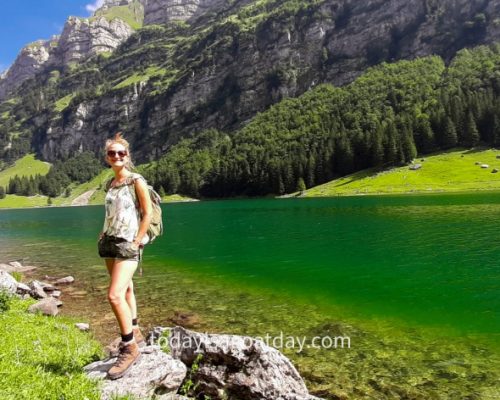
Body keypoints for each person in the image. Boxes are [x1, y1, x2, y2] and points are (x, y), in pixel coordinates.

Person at [97, 132, 152, 380]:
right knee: (127, 289)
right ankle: (136, 330)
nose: (116, 156)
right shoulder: (110, 184)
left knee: (114, 295)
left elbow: (147, 214)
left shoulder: (136, 180)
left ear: (127, 156)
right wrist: (102, 232)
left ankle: (129, 347)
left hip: (128, 243)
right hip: (109, 241)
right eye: (112, 153)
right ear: (107, 157)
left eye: (121, 152)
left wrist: (138, 240)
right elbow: (111, 212)